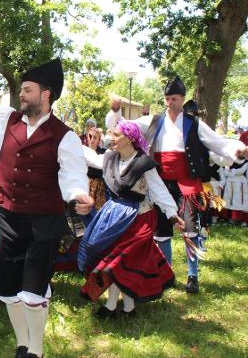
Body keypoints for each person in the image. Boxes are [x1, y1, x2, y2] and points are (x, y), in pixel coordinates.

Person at [0, 48, 92, 358]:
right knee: (9, 293)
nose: (21, 95)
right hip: (9, 221)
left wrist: (78, 194)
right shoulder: (5, 122)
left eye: (27, 90)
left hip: (43, 224)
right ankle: (22, 345)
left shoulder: (64, 137)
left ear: (46, 94)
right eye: (22, 90)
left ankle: (35, 351)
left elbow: (72, 174)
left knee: (32, 294)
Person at [133, 76, 248, 294]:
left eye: (174, 98)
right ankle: (165, 275)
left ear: (182, 99)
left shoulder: (193, 122)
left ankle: (192, 276)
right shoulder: (155, 121)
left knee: (190, 230)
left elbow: (217, 142)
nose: (169, 103)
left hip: (187, 184)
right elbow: (131, 127)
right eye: (167, 99)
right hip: (161, 185)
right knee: (162, 231)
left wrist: (237, 149)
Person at [78, 121, 184, 318]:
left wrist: (171, 213)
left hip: (139, 218)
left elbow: (158, 189)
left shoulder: (143, 163)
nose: (111, 138)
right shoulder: (110, 158)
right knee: (115, 261)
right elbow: (91, 157)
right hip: (114, 216)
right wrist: (68, 141)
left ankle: (110, 308)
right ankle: (128, 308)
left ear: (129, 138)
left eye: (116, 135)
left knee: (117, 262)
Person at [86, 127, 107, 211]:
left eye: (94, 137)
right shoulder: (82, 151)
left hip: (100, 187)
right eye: (90, 136)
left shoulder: (103, 152)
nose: (92, 139)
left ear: (99, 140)